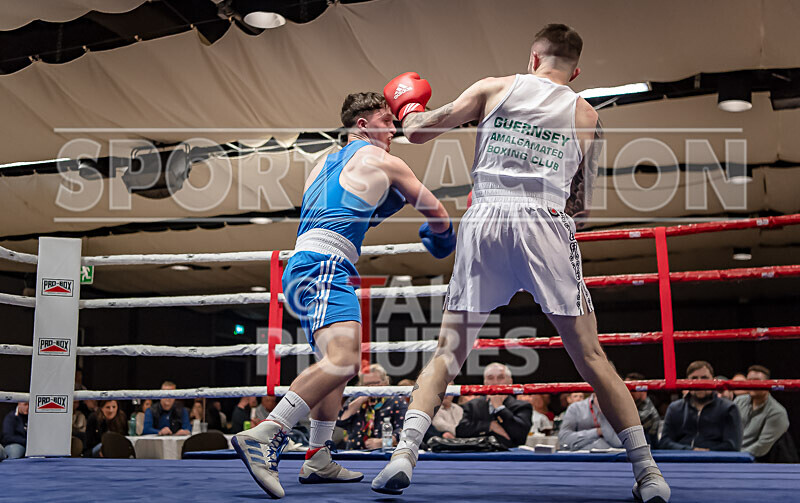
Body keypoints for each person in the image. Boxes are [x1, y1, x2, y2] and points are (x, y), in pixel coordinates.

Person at [371, 24, 671, 502]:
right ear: (576, 71)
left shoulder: (495, 87)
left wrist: (409, 106)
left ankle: (402, 456)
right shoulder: (587, 114)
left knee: (447, 353)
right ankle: (649, 474)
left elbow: (416, 132)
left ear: (533, 59)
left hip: (486, 216)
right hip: (546, 224)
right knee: (592, 357)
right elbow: (584, 209)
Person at [231, 91, 454, 499]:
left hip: (303, 266)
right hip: (326, 265)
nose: (395, 128)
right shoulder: (386, 161)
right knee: (344, 360)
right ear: (363, 125)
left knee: (334, 366)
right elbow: (437, 213)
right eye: (387, 120)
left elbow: (346, 210)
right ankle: (268, 433)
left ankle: (317, 457)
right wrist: (442, 237)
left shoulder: (320, 165)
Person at [659, 361, 741, 451]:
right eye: (694, 378)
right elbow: (664, 442)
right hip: (681, 459)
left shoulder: (728, 408)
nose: (699, 383)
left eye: (704, 378)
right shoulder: (675, 408)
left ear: (713, 381)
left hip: (717, 460)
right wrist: (690, 450)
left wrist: (707, 452)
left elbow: (732, 444)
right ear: (687, 382)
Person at [455, 363, 532, 447]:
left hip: (510, 456)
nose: (495, 382)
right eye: (490, 378)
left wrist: (500, 408)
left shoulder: (523, 406)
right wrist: (489, 425)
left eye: (500, 378)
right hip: (479, 455)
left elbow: (520, 435)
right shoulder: (472, 405)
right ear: (485, 382)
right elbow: (460, 432)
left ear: (510, 382)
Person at [336, 364, 408, 450]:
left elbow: (405, 430)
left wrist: (384, 443)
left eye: (376, 383)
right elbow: (340, 421)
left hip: (385, 453)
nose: (372, 387)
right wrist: (361, 398)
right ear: (361, 385)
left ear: (385, 382)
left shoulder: (397, 401)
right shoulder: (354, 399)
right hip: (355, 454)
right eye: (367, 384)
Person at [735, 365, 791, 460]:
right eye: (749, 380)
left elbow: (761, 447)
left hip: (757, 462)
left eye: (756, 380)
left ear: (767, 384)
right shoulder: (739, 401)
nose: (752, 384)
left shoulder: (777, 412)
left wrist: (736, 455)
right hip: (732, 453)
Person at [625, 372, 662, 445]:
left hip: (650, 448)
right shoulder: (633, 405)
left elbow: (629, 425)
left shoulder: (648, 411)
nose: (628, 393)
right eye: (625, 389)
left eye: (632, 390)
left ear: (643, 390)